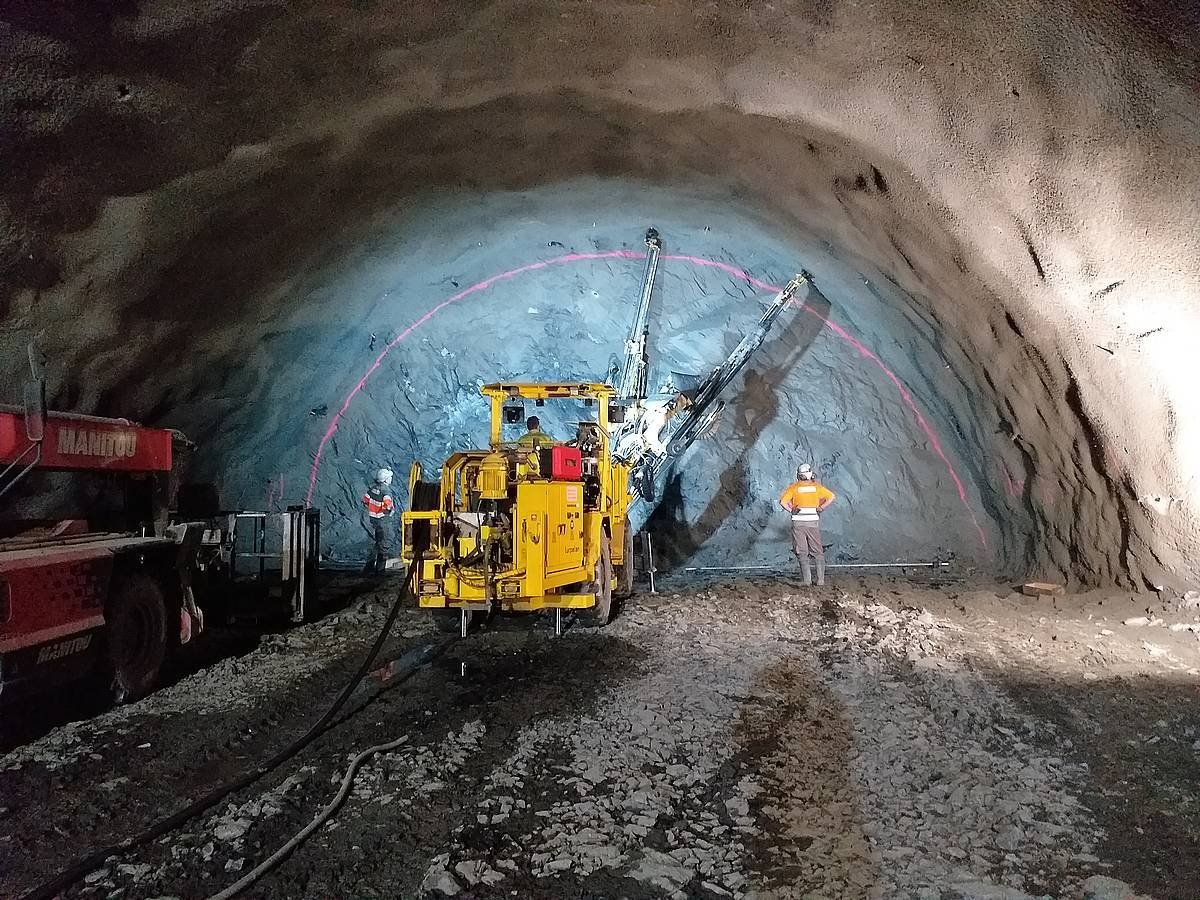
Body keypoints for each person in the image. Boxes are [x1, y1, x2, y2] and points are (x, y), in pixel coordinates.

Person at [779, 463, 836, 586]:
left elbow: (783, 502)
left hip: (798, 522)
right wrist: (821, 508)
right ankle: (820, 580)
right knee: (817, 551)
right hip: (812, 522)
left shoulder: (794, 488)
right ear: (810, 474)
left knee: (801, 551)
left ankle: (807, 580)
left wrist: (791, 510)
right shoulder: (816, 487)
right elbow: (831, 497)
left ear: (798, 475)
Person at [362, 467, 395, 574]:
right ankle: (380, 570)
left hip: (373, 520)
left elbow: (365, 500)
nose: (391, 479)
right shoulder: (386, 491)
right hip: (383, 520)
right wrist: (386, 512)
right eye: (390, 477)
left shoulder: (373, 489)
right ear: (385, 480)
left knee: (376, 543)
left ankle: (368, 567)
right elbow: (388, 505)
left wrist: (373, 510)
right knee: (384, 544)